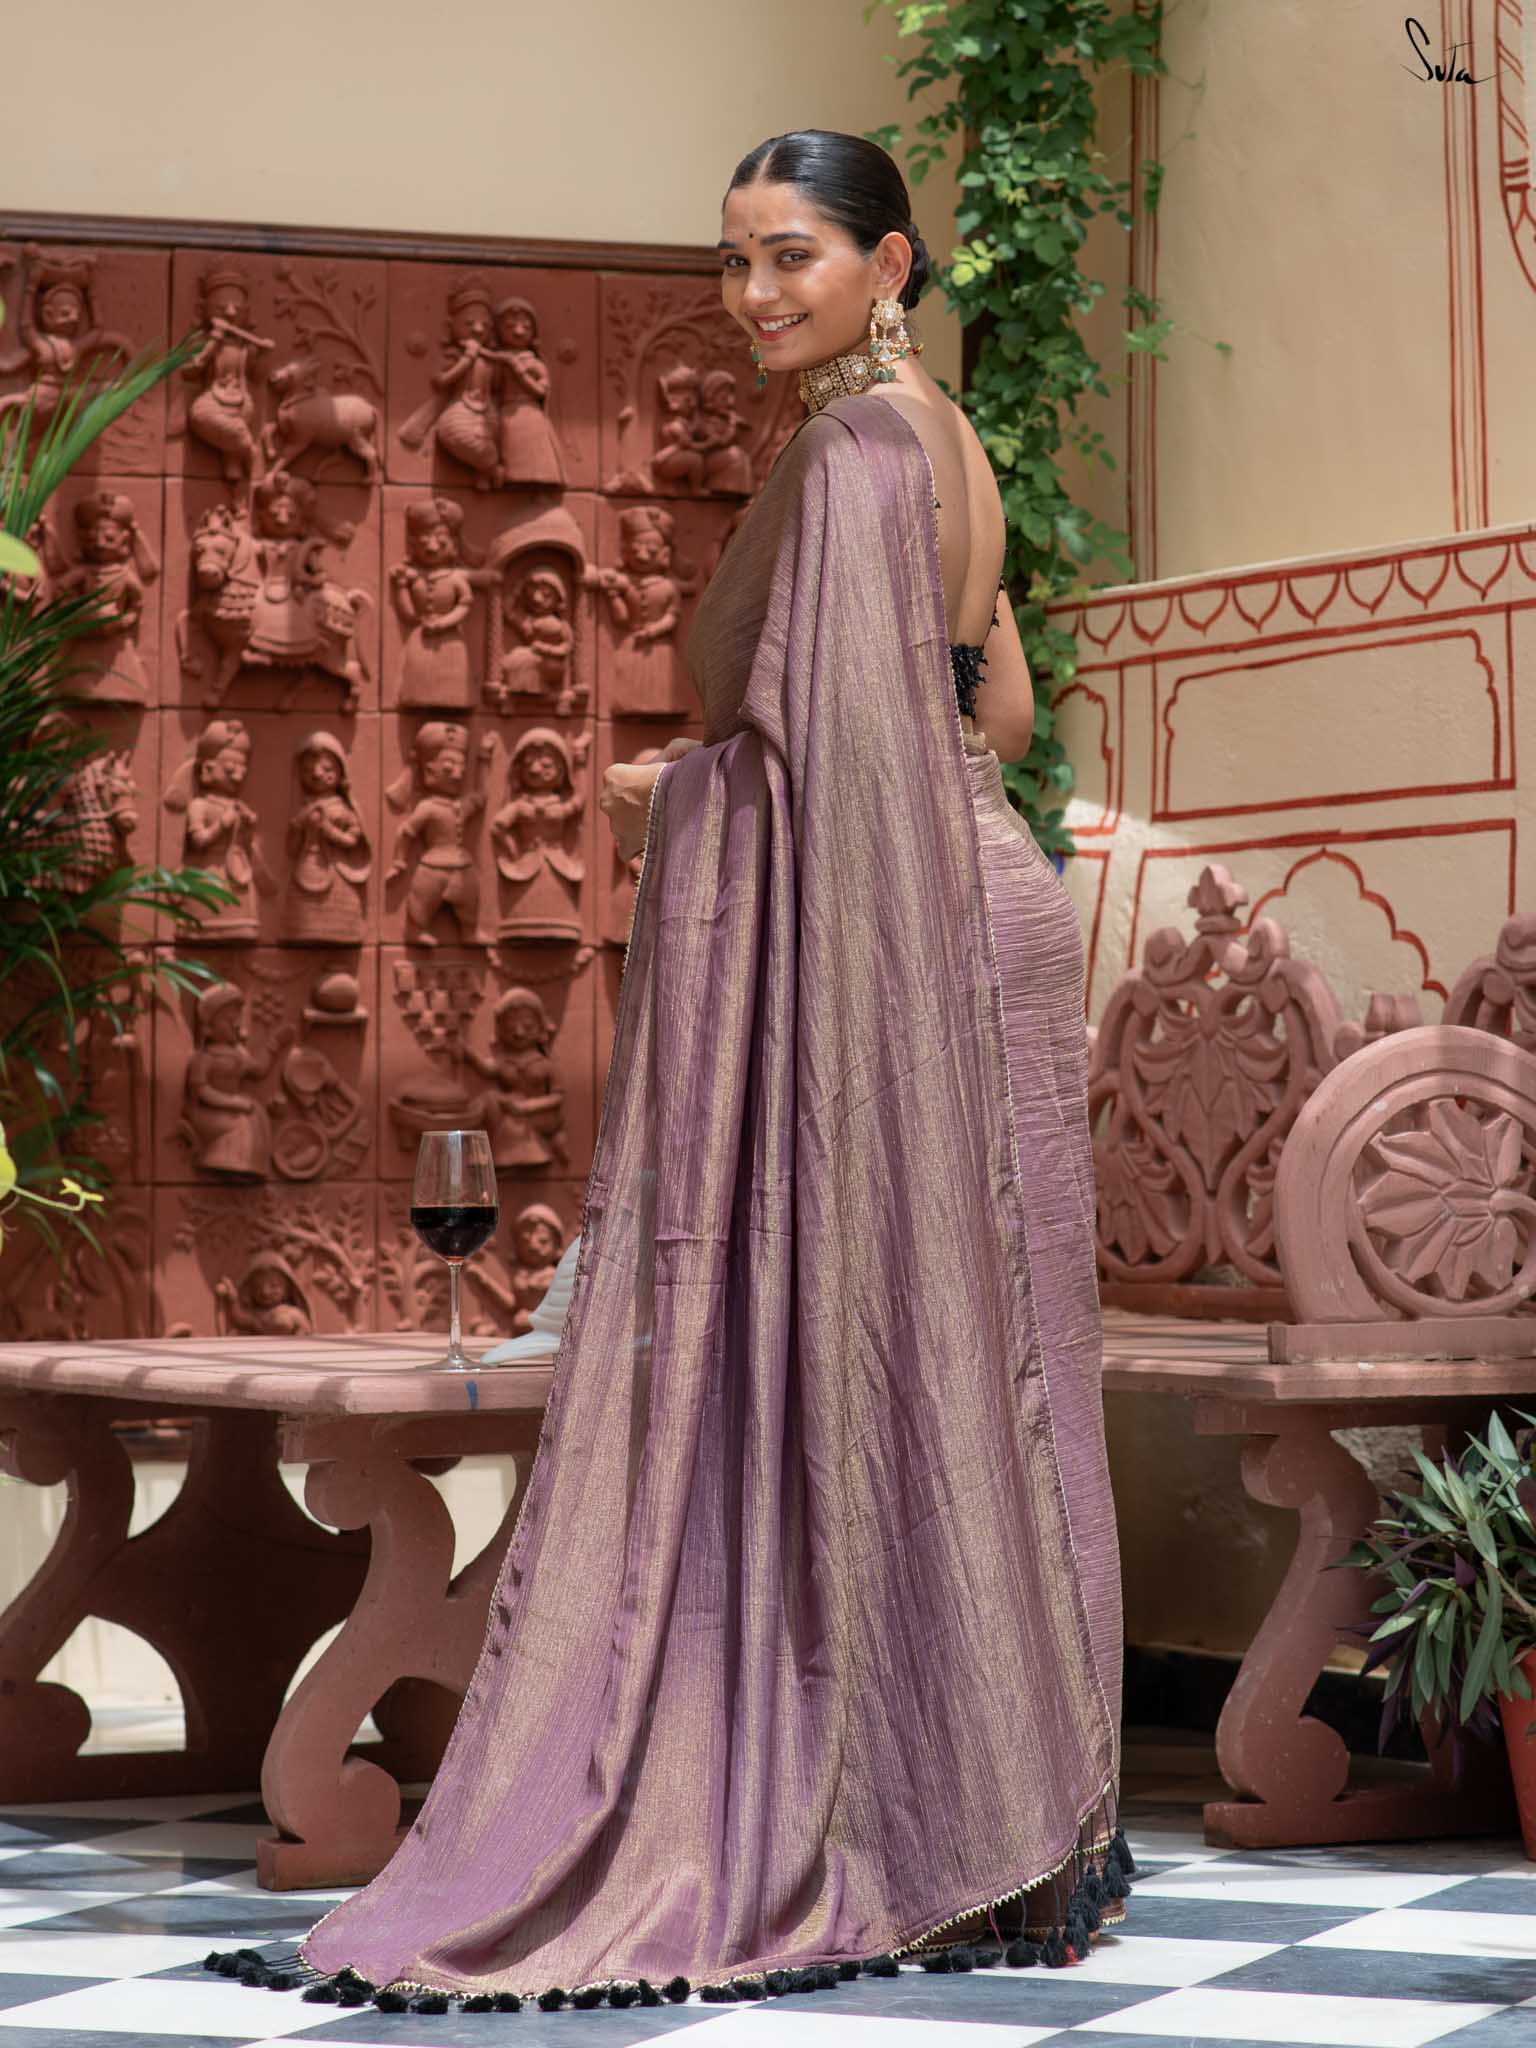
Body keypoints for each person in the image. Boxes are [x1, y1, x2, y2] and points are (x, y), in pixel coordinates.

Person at [206, 128, 1129, 2018]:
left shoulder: (855, 454)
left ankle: (897, 1819)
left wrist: (684, 799)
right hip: (990, 908)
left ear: (889, 265)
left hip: (914, 944)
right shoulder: (948, 442)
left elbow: (837, 766)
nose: (753, 293)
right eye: (732, 260)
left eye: (793, 255)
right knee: (989, 1368)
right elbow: (1001, 715)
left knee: (884, 1362)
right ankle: (1015, 1821)